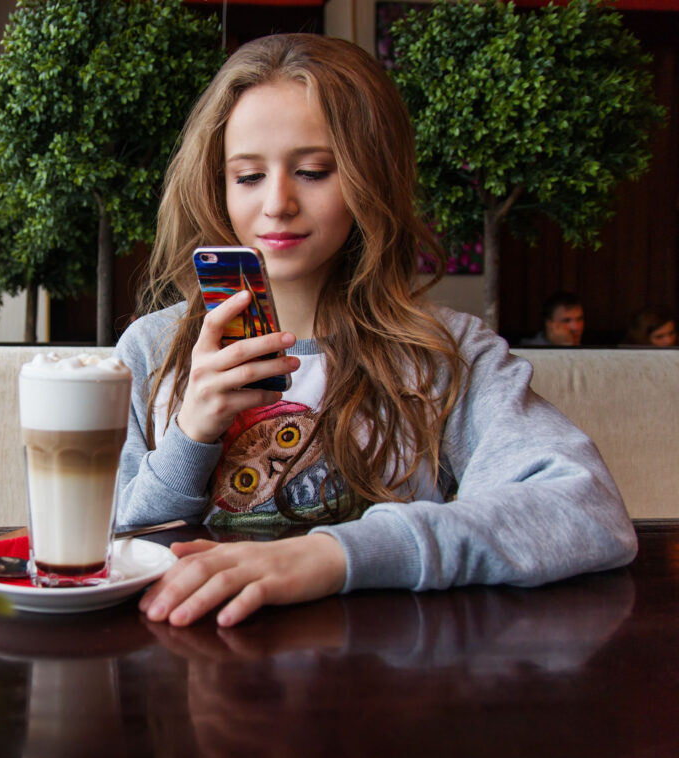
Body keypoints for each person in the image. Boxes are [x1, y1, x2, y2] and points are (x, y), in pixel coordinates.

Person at [113, 34, 635, 628]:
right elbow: (93, 551)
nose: (278, 203)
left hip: (383, 680)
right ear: (218, 184)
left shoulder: (445, 354)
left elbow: (588, 510)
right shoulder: (154, 351)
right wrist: (189, 439)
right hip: (190, 674)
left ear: (372, 177)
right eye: (249, 176)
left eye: (313, 171)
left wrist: (337, 554)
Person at [520, 291, 585, 346]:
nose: (575, 327)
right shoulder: (529, 349)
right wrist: (565, 345)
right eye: (566, 320)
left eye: (579, 319)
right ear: (548, 324)